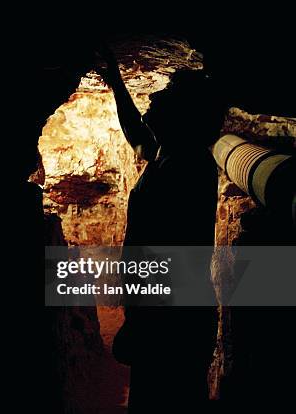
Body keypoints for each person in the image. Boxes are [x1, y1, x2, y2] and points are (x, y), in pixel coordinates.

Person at [95, 44, 224, 412]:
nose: (154, 94)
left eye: (166, 93)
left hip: (171, 327)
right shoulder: (174, 153)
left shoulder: (185, 169)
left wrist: (141, 323)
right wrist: (115, 80)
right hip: (170, 322)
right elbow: (138, 135)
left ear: (184, 115)